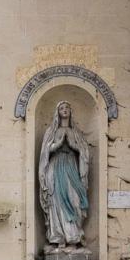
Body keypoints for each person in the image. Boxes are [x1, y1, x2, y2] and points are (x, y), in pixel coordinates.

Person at [38, 100, 90, 249]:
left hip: (71, 166)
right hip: (55, 167)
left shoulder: (76, 132)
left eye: (67, 107)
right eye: (62, 108)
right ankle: (59, 236)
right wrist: (56, 146)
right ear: (58, 112)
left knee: (75, 200)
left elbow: (84, 152)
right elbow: (44, 152)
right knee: (57, 200)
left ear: (70, 111)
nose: (65, 110)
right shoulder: (52, 131)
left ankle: (73, 237)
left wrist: (75, 147)